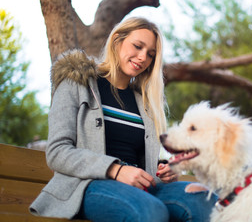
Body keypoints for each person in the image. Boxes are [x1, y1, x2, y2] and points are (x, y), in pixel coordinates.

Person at [29, 17, 217, 221]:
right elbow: (57, 152)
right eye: (137, 46)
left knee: (204, 201)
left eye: (151, 55)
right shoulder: (76, 84)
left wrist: (162, 168)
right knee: (151, 211)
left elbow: (139, 157)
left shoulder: (144, 102)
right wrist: (115, 169)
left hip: (141, 187)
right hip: (88, 186)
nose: (143, 57)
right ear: (117, 40)